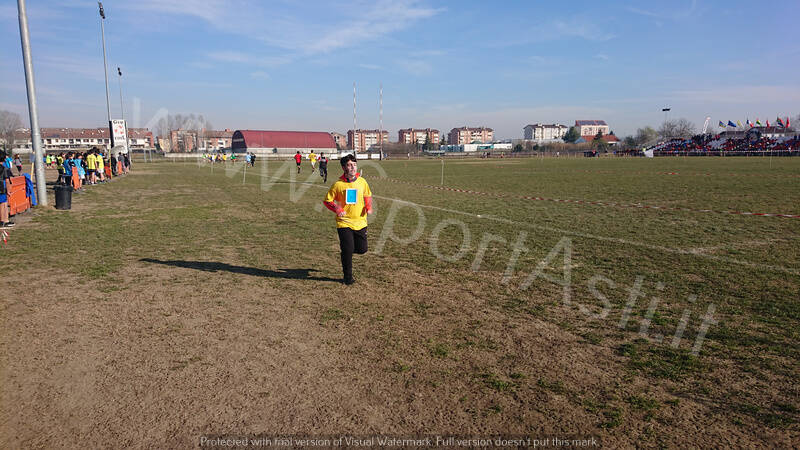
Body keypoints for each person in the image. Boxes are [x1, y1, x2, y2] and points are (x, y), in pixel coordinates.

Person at [323, 154, 373, 285]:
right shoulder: (338, 185)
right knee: (347, 250)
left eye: (355, 165)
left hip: (361, 221)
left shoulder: (362, 182)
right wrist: (338, 209)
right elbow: (327, 200)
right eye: (350, 165)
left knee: (362, 249)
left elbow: (367, 195)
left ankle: (348, 249)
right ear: (343, 167)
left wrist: (368, 207)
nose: (353, 167)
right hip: (344, 222)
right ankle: (348, 277)